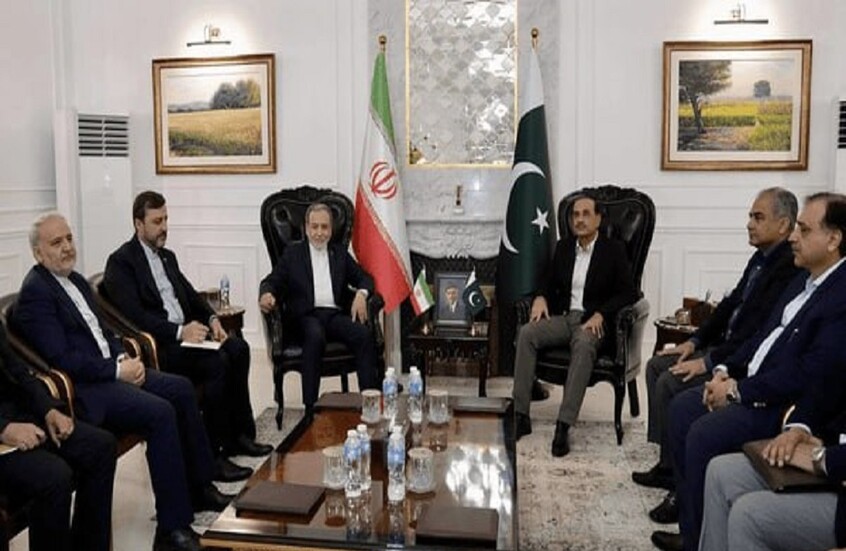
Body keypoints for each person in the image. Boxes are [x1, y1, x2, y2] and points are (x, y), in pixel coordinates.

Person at [12, 212, 239, 551]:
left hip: (111, 372)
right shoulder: (36, 293)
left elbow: (105, 331)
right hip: (88, 390)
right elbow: (62, 359)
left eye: (69, 238)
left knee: (180, 389)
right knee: (160, 413)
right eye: (56, 242)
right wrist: (116, 371)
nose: (67, 247)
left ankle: (199, 486)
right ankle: (171, 530)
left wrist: (123, 359)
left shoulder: (75, 281)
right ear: (37, 253)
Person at [650, 192, 846, 551]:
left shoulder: (839, 295)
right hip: (751, 381)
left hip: (778, 402)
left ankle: (694, 536)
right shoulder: (803, 279)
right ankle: (692, 524)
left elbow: (811, 373)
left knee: (702, 431)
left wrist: (738, 390)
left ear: (833, 239)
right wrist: (723, 371)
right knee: (681, 405)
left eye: (803, 229)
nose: (794, 238)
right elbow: (759, 334)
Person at [635, 188, 799, 523]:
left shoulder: (787, 268)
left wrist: (708, 363)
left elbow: (755, 333)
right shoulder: (760, 257)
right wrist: (694, 341)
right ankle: (668, 465)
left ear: (783, 225)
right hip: (720, 347)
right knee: (656, 366)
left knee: (670, 382)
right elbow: (728, 306)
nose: (749, 224)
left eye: (758, 217)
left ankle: (680, 486)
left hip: (735, 357)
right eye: (750, 216)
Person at [103, 190, 272, 460]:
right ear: (138, 224)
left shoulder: (167, 256)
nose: (164, 227)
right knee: (217, 362)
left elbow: (191, 295)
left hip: (187, 337)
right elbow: (136, 318)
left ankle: (240, 436)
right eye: (157, 221)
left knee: (238, 348)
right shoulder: (121, 263)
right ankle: (216, 451)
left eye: (166, 219)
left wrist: (212, 319)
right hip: (162, 346)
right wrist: (181, 331)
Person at [512, 193, 637, 457]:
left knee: (583, 342)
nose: (579, 220)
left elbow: (629, 293)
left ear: (598, 219)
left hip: (593, 323)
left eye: (586, 214)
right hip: (565, 318)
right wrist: (541, 297)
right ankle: (520, 415)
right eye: (575, 215)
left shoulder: (613, 250)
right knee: (527, 333)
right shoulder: (564, 247)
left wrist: (602, 313)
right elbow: (547, 280)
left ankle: (563, 425)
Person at [0, 323, 116, 551]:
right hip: (4, 435)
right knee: (54, 476)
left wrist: (48, 409)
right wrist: (4, 429)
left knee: (100, 447)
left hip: (18, 416)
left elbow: (18, 371)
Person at [258, 202, 379, 410]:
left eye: (324, 227)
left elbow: (365, 278)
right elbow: (272, 281)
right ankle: (310, 409)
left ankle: (370, 405)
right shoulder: (293, 254)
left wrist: (361, 293)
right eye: (315, 227)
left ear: (331, 230)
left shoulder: (339, 253)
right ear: (306, 228)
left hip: (333, 316)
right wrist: (267, 294)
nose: (319, 233)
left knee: (363, 335)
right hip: (306, 317)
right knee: (314, 335)